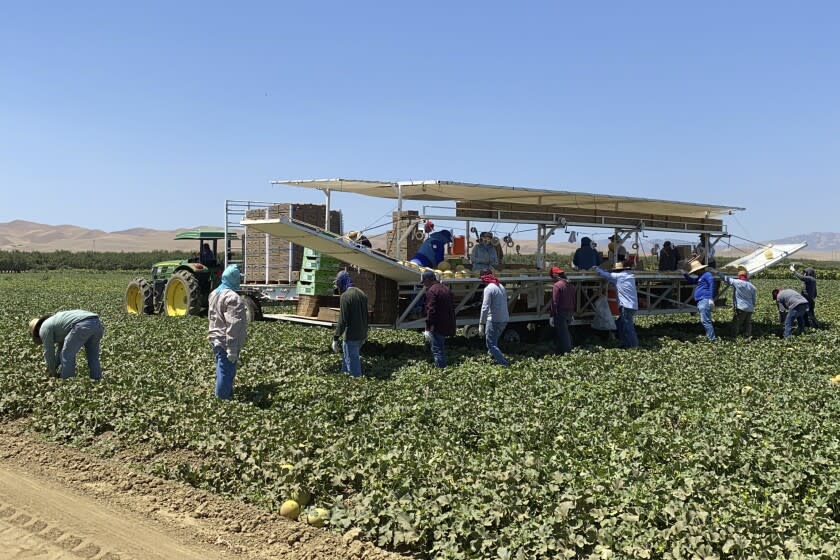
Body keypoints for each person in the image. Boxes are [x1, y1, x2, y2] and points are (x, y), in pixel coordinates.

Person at [208, 264, 247, 399]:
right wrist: (232, 348)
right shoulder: (233, 298)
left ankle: (225, 396)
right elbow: (233, 324)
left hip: (215, 337)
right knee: (226, 371)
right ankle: (222, 401)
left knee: (222, 368)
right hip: (226, 340)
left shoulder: (214, 293)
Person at [29, 310, 105, 380]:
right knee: (93, 356)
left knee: (67, 354)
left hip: (82, 324)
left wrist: (52, 372)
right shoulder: (57, 325)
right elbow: (60, 350)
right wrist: (55, 366)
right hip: (96, 322)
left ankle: (67, 382)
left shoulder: (44, 328)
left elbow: (49, 352)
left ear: (37, 329)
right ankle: (97, 379)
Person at [332, 270, 369, 377]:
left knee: (353, 365)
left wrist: (335, 338)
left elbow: (342, 320)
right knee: (347, 358)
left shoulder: (345, 296)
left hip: (351, 336)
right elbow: (367, 316)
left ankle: (357, 384)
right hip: (362, 335)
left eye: (338, 284)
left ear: (341, 282)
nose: (338, 287)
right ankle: (343, 378)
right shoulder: (362, 293)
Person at [594, 261, 639, 348]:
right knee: (620, 323)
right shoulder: (630, 276)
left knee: (628, 327)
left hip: (626, 306)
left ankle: (633, 345)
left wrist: (597, 269)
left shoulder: (619, 276)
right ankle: (624, 343)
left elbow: (606, 275)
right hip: (632, 305)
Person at [422, 270, 456, 368]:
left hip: (437, 324)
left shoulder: (431, 291)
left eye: (424, 282)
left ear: (428, 280)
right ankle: (442, 368)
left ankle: (441, 370)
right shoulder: (445, 288)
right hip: (447, 321)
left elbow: (431, 310)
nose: (424, 284)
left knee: (437, 349)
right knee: (440, 347)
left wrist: (428, 327)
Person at [478, 269, 510, 366]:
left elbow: (485, 307)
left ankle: (504, 363)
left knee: (490, 344)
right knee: (494, 342)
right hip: (504, 319)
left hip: (494, 320)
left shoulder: (488, 288)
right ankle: (491, 360)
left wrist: (481, 323)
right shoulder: (500, 285)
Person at [683, 260, 716, 341]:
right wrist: (684, 274)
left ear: (698, 270)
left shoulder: (707, 275)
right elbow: (692, 281)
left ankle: (712, 339)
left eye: (695, 271)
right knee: (705, 320)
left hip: (705, 300)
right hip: (701, 301)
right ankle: (711, 338)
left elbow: (712, 284)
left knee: (706, 321)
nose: (694, 273)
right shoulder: (700, 277)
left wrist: (711, 298)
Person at [717, 269, 757, 337]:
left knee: (736, 323)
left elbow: (726, 278)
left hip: (741, 307)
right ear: (746, 276)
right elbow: (754, 300)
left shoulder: (737, 282)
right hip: (750, 308)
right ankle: (748, 336)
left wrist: (718, 272)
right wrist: (752, 306)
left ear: (739, 276)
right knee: (748, 323)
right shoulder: (752, 286)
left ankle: (734, 336)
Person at [549, 266, 576, 354]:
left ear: (555, 276)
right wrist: (572, 314)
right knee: (565, 332)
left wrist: (552, 315)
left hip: (560, 313)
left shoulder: (557, 286)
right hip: (569, 312)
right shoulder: (571, 285)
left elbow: (554, 302)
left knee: (563, 334)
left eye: (552, 277)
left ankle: (567, 353)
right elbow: (574, 299)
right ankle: (560, 351)